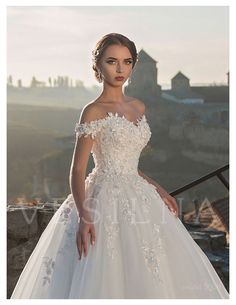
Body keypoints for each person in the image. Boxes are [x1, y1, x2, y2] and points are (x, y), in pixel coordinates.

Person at [11, 33, 229, 299]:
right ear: (98, 65)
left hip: (139, 195)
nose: (120, 69)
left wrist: (160, 190)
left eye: (127, 62)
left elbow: (129, 163)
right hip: (102, 199)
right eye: (112, 61)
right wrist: (84, 216)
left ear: (133, 66)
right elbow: (77, 171)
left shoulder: (138, 106)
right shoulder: (93, 110)